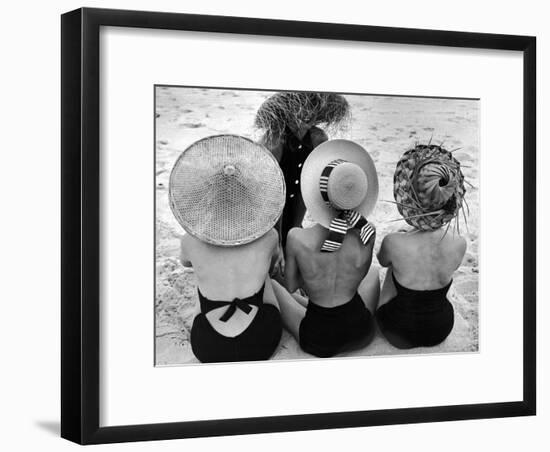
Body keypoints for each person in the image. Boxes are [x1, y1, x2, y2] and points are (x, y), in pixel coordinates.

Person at [169, 134, 286, 363]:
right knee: (265, 279)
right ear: (252, 196)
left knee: (202, 280)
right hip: (260, 341)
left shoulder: (190, 241)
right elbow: (273, 266)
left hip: (209, 346)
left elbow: (185, 262)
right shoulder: (269, 236)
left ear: (206, 197)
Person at [270, 139, 380, 358]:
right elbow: (360, 276)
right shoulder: (368, 232)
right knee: (375, 274)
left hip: (318, 338)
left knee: (273, 285)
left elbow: (291, 285)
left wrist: (313, 279)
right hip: (360, 331)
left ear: (318, 195)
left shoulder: (297, 237)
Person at [376, 144, 468, 349]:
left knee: (394, 263)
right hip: (441, 328)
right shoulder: (459, 243)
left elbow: (382, 261)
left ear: (409, 198)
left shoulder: (393, 242)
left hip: (397, 331)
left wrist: (404, 240)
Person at [254, 92, 350, 250]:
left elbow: (315, 176)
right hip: (273, 197)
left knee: (294, 229)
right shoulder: (275, 141)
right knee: (275, 239)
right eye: (301, 111)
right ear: (288, 113)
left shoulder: (318, 137)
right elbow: (268, 189)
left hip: (299, 192)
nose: (307, 116)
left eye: (311, 111)